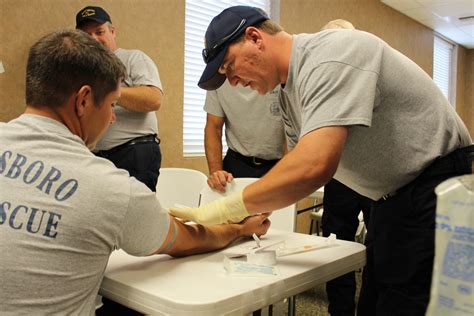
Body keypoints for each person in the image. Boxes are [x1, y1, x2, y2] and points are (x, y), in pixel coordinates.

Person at [169, 6, 473, 315]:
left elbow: (314, 165)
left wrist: (223, 208)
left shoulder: (333, 52)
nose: (232, 82)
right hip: (389, 197)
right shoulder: (288, 95)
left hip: (436, 186)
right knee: (373, 301)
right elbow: (296, 166)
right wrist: (249, 218)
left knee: (409, 303)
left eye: (229, 66)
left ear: (254, 37)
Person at [0, 29, 271, 315]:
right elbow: (190, 240)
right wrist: (240, 229)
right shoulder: (110, 188)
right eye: (112, 103)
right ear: (83, 101)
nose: (113, 116)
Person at [318, 19, 374, 316]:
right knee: (337, 244)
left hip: (375, 176)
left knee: (376, 248)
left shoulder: (369, 74)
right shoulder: (320, 81)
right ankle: (339, 311)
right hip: (339, 175)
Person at [75, 6, 163, 192]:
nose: (94, 39)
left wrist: (108, 91)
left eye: (99, 32)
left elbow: (153, 99)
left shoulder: (133, 58)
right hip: (93, 157)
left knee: (136, 216)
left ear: (112, 32)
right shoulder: (77, 71)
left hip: (134, 153)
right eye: (86, 35)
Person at [204, 80, 286, 192]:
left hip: (278, 162)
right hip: (237, 163)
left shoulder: (280, 75)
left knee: (277, 208)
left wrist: (286, 172)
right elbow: (214, 127)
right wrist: (216, 173)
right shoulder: (216, 78)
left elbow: (292, 129)